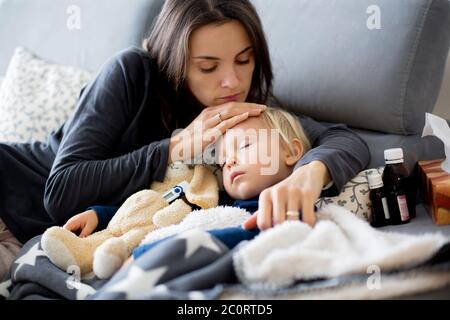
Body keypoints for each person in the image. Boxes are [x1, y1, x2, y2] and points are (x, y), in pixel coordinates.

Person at [0, 0, 369, 279]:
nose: (232, 82)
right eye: (208, 67)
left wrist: (307, 177)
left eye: (244, 60)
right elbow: (61, 191)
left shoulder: (243, 109)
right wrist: (176, 147)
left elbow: (342, 138)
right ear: (175, 61)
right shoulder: (131, 72)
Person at [65, 107, 313, 261]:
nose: (229, 162)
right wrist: (100, 215)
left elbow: (240, 238)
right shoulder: (215, 200)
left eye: (245, 145)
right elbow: (158, 210)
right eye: (224, 158)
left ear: (291, 151)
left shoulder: (288, 204)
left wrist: (152, 254)